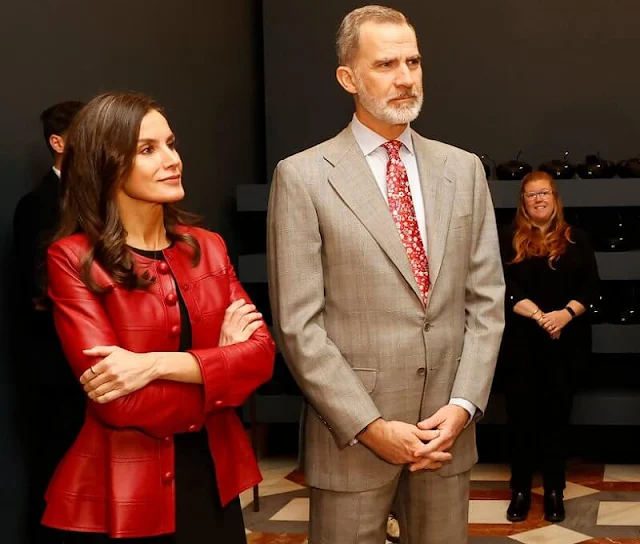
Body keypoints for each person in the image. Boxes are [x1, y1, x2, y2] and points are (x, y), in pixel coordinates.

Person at [266, 6, 505, 543]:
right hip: (352, 438)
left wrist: (463, 406)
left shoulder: (463, 169)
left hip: (445, 435)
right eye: (386, 64)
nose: (405, 77)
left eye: (413, 61)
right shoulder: (303, 177)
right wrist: (371, 427)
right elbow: (299, 325)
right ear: (348, 78)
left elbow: (487, 302)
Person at [42, 91, 275, 542]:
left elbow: (262, 358)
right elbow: (119, 402)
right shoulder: (73, 259)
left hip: (212, 485)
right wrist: (220, 367)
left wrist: (151, 365)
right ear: (105, 164)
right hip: (126, 495)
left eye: (171, 143)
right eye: (148, 149)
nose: (172, 159)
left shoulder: (207, 246)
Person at [498, 171, 599, 523]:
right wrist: (541, 317)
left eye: (544, 193)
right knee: (521, 420)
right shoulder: (507, 238)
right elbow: (502, 287)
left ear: (555, 198)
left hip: (565, 344)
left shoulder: (576, 238)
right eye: (531, 195)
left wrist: (564, 316)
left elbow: (591, 288)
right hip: (521, 345)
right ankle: (521, 490)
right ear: (522, 202)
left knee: (557, 420)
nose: (538, 199)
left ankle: (555, 490)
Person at [11, 100, 85, 544]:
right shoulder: (37, 205)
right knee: (58, 481)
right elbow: (40, 290)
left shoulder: (101, 198)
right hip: (57, 372)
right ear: (57, 143)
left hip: (96, 370)